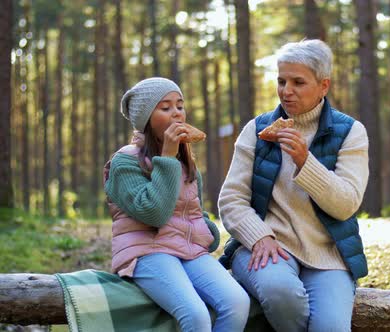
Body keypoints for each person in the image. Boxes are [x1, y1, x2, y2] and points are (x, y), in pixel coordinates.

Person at [218, 40, 369, 332]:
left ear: (323, 86)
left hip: (328, 255)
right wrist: (259, 236)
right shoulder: (257, 129)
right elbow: (231, 200)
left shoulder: (351, 132)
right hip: (264, 247)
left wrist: (305, 161)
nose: (286, 91)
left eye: (298, 82)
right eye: (282, 81)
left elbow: (346, 204)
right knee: (281, 293)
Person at [103, 77, 250, 332]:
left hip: (188, 251)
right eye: (165, 107)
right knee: (196, 316)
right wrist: (168, 156)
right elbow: (155, 213)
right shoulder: (124, 162)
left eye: (179, 106)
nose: (177, 114)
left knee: (237, 302)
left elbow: (194, 212)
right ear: (147, 118)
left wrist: (207, 231)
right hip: (146, 251)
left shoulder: (186, 163)